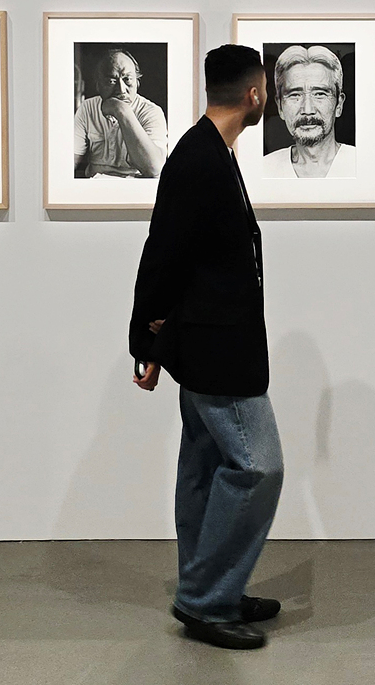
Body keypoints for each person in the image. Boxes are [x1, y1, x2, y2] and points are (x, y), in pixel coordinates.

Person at [129, 44, 283, 651]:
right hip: (216, 348)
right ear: (254, 94)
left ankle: (213, 586)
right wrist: (145, 341)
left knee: (205, 467)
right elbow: (161, 253)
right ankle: (205, 598)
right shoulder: (198, 159)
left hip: (211, 340)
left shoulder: (211, 151)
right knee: (256, 466)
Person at [262, 45, 356, 178]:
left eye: (320, 94)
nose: (307, 110)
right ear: (280, 107)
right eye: (295, 95)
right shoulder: (265, 169)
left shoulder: (363, 165)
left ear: (339, 105)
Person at [74, 49, 168, 178]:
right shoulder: (87, 107)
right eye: (111, 81)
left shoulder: (151, 112)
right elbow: (69, 161)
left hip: (135, 187)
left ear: (137, 82)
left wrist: (121, 111)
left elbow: (155, 169)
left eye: (127, 79)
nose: (121, 89)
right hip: (96, 185)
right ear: (98, 86)